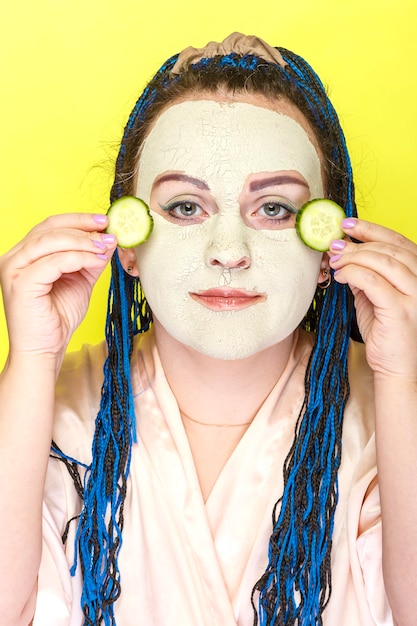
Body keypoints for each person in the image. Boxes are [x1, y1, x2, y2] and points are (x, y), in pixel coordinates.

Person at [0, 32, 416, 626]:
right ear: (128, 243)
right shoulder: (50, 405)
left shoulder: (387, 410)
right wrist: (32, 360)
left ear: (331, 249)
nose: (228, 252)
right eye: (184, 207)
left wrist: (403, 376)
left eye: (274, 208)